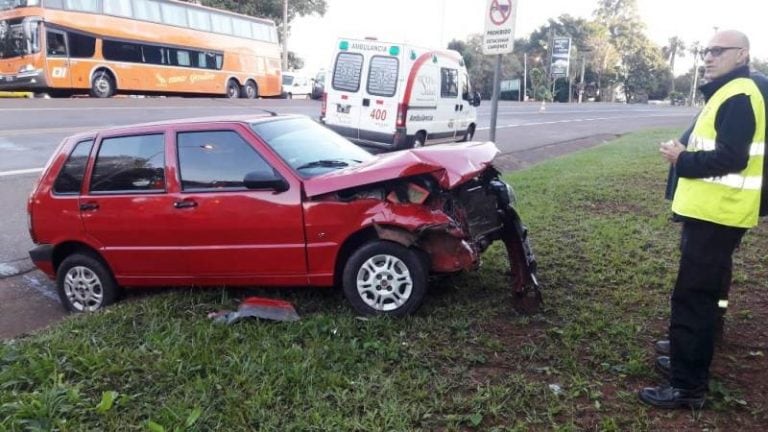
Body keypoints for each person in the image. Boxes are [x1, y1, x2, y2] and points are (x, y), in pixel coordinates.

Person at [638, 30, 766, 409]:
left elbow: (731, 158)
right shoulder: (729, 91)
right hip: (712, 212)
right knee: (700, 296)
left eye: (717, 51)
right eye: (705, 51)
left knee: (693, 298)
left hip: (718, 214)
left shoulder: (740, 95)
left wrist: (682, 159)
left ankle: (687, 387)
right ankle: (685, 361)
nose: (708, 57)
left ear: (741, 54)